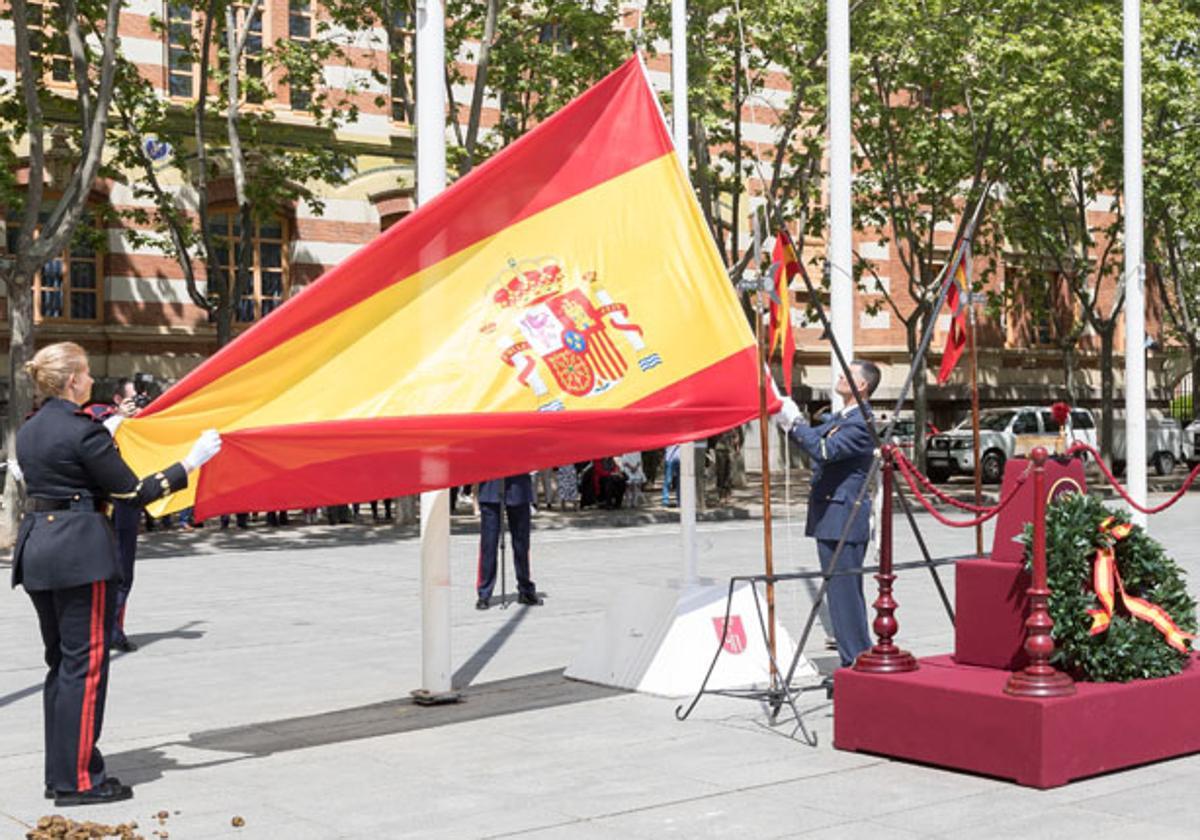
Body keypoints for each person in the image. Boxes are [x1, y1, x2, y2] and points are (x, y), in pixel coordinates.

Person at [12, 342, 222, 807]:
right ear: (71, 380)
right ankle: (80, 782)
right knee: (85, 669)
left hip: (40, 550)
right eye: (85, 374)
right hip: (78, 553)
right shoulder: (84, 432)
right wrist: (191, 461)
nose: (91, 381)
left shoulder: (30, 430)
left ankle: (60, 773)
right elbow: (133, 493)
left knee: (61, 667)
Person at [773, 360, 880, 675]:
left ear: (861, 386)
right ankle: (855, 658)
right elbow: (811, 436)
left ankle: (856, 660)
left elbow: (822, 449)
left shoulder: (861, 422)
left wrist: (793, 422)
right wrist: (788, 419)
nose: (839, 375)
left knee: (844, 593)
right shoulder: (844, 417)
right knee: (838, 592)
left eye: (848, 373)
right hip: (831, 513)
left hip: (844, 514)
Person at [475, 474, 541, 609]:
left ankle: (525, 588)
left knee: (522, 543)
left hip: (518, 484)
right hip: (491, 485)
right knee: (489, 544)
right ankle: (484, 592)